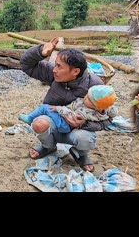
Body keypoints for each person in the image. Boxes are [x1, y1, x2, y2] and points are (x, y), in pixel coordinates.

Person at [20, 37, 111, 172]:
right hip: (55, 121)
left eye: (59, 66)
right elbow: (26, 65)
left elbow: (108, 119)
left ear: (75, 71)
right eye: (55, 65)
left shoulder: (95, 85)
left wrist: (84, 124)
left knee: (84, 138)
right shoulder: (54, 75)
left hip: (78, 131)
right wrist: (40, 52)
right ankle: (48, 146)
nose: (54, 70)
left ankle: (81, 154)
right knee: (38, 123)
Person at [19, 85, 117, 133]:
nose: (85, 97)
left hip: (65, 125)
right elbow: (112, 111)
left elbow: (69, 114)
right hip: (69, 125)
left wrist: (58, 108)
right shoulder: (105, 110)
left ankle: (30, 118)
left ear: (96, 106)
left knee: (45, 108)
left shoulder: (85, 112)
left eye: (88, 98)